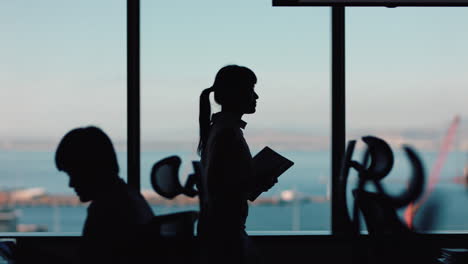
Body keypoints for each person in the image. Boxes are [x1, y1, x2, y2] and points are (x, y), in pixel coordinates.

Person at [197, 65, 276, 264]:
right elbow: (222, 187)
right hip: (226, 231)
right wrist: (257, 181)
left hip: (221, 229)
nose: (256, 97)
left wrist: (254, 183)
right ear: (236, 94)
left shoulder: (220, 129)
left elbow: (222, 182)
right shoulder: (228, 133)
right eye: (251, 90)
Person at [55, 126, 154, 263]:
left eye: (74, 174)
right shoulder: (128, 198)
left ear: (91, 170)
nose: (71, 184)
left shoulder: (105, 210)